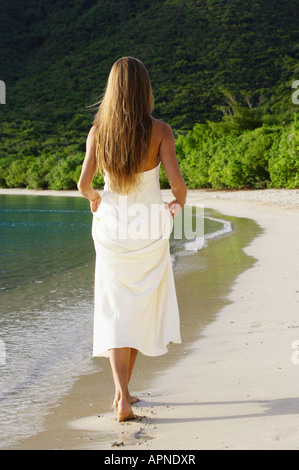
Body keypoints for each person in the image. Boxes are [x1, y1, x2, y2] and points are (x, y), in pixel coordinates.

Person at [77, 57, 187, 422]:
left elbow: (83, 185)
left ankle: (121, 396)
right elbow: (177, 185)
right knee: (138, 306)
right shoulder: (161, 131)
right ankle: (123, 394)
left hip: (111, 229)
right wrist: (177, 204)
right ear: (144, 89)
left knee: (114, 307)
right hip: (148, 227)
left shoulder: (98, 132)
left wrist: (96, 199)